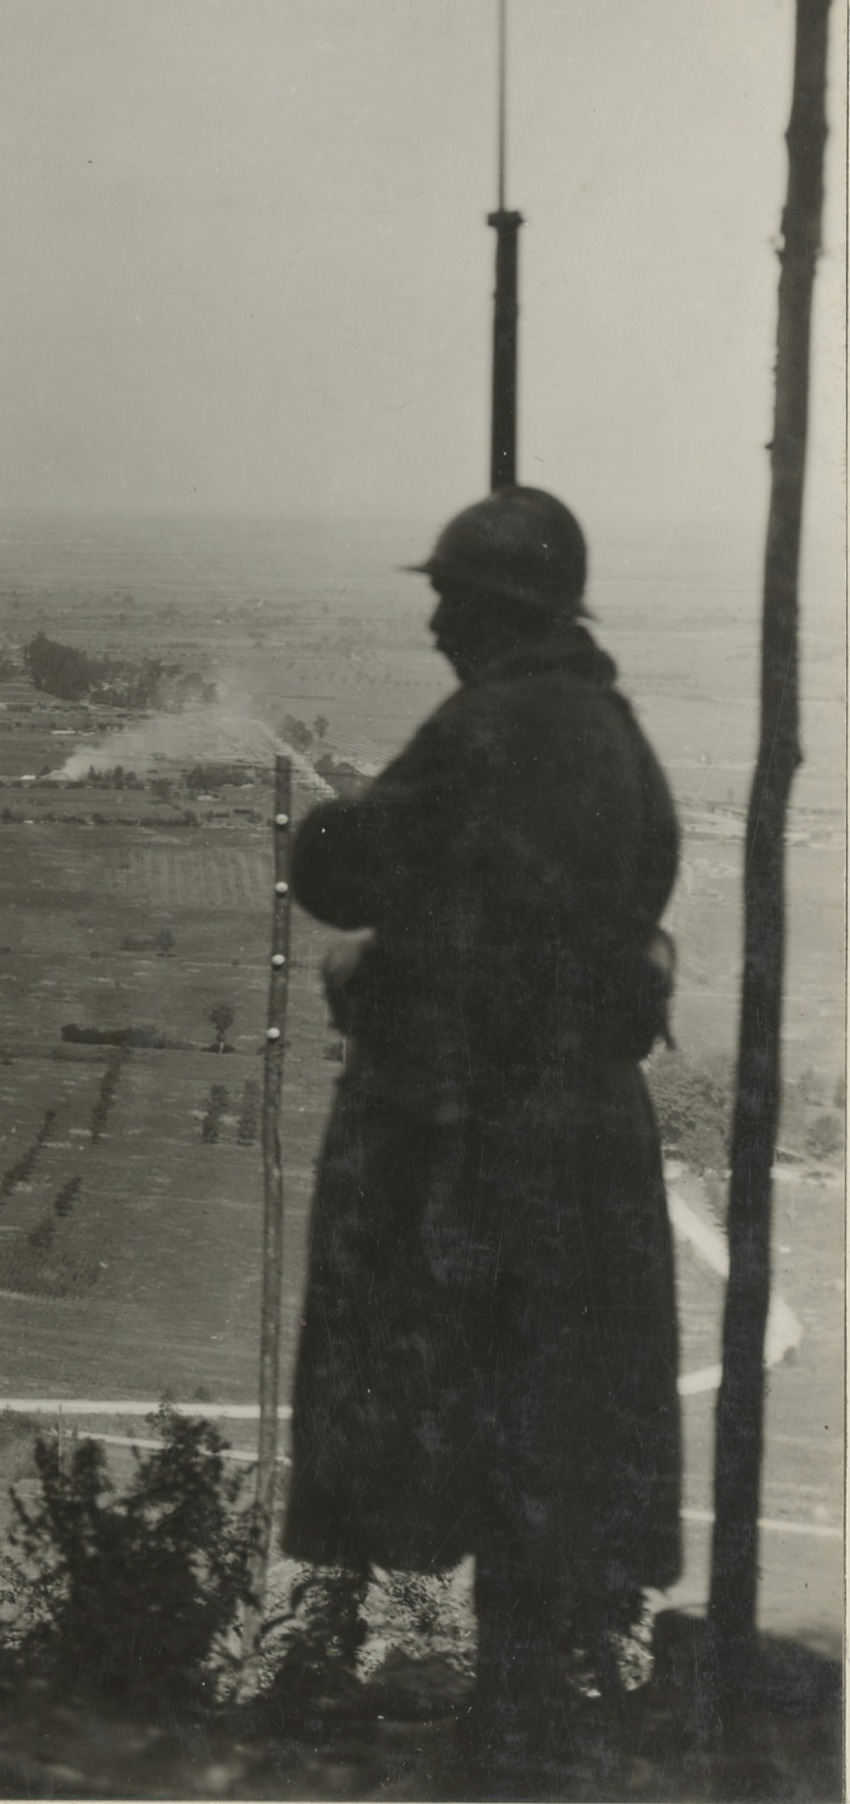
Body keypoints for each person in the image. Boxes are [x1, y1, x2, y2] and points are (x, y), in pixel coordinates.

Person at [282, 487, 680, 1785]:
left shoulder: (487, 726)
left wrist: (340, 825)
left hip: (475, 1140)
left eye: (451, 597)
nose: (437, 623)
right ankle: (524, 1702)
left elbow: (340, 870)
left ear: (498, 606)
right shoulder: (613, 730)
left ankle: (468, 1714)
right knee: (549, 1419)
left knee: (458, 1401)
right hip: (583, 1144)